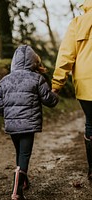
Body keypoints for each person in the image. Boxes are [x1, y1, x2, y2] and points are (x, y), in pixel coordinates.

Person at [0, 45, 59, 200]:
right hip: (28, 124)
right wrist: (55, 94)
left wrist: (10, 114)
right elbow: (49, 100)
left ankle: (23, 182)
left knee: (19, 153)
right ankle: (17, 192)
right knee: (24, 154)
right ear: (34, 62)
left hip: (12, 125)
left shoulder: (5, 81)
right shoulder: (37, 79)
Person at [51, 0, 92, 180]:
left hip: (86, 84)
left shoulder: (78, 22)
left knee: (91, 123)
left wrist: (56, 85)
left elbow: (66, 56)